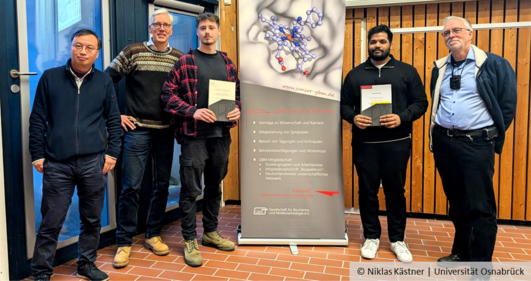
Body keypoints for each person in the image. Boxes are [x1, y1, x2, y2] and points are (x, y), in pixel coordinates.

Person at [29, 29, 122, 281]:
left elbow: (113, 120)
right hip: (58, 162)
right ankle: (41, 271)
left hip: (94, 161)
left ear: (97, 53)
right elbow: (38, 119)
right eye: (78, 46)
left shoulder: (104, 82)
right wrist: (37, 154)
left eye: (89, 48)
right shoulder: (50, 78)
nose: (83, 51)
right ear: (70, 47)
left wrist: (112, 153)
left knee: (92, 219)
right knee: (51, 221)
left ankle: (86, 263)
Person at [429, 16, 517, 273]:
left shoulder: (494, 64)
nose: (450, 35)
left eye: (456, 30)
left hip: (477, 144)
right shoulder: (440, 68)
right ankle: (462, 252)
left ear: (470, 33)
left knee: (481, 207)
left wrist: (490, 135)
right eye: (445, 33)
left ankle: (481, 267)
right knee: (457, 203)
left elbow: (507, 106)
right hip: (446, 144)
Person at [340, 24, 428, 263]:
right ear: (368, 45)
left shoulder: (407, 72)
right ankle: (371, 237)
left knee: (395, 192)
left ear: (390, 44)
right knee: (367, 192)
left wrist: (402, 117)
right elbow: (343, 105)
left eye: (381, 41)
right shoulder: (355, 74)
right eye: (373, 42)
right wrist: (353, 117)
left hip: (397, 142)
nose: (377, 45)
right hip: (365, 143)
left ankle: (398, 240)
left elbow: (421, 103)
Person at [104, 8, 184, 268]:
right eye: (157, 24)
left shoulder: (179, 59)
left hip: (166, 131)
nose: (161, 28)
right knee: (131, 187)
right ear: (150, 28)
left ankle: (153, 234)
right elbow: (105, 82)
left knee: (162, 185)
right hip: (136, 130)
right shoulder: (133, 52)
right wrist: (117, 116)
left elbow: (187, 94)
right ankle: (124, 243)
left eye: (166, 25)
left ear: (171, 30)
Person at [161, 12, 241, 267]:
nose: (207, 32)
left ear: (218, 32)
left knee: (215, 187)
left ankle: (210, 232)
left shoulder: (228, 64)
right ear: (197, 32)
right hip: (193, 137)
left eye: (211, 28)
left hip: (221, 135)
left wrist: (237, 108)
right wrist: (192, 111)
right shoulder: (184, 62)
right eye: (203, 28)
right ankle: (189, 240)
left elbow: (237, 94)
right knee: (190, 190)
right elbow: (167, 95)